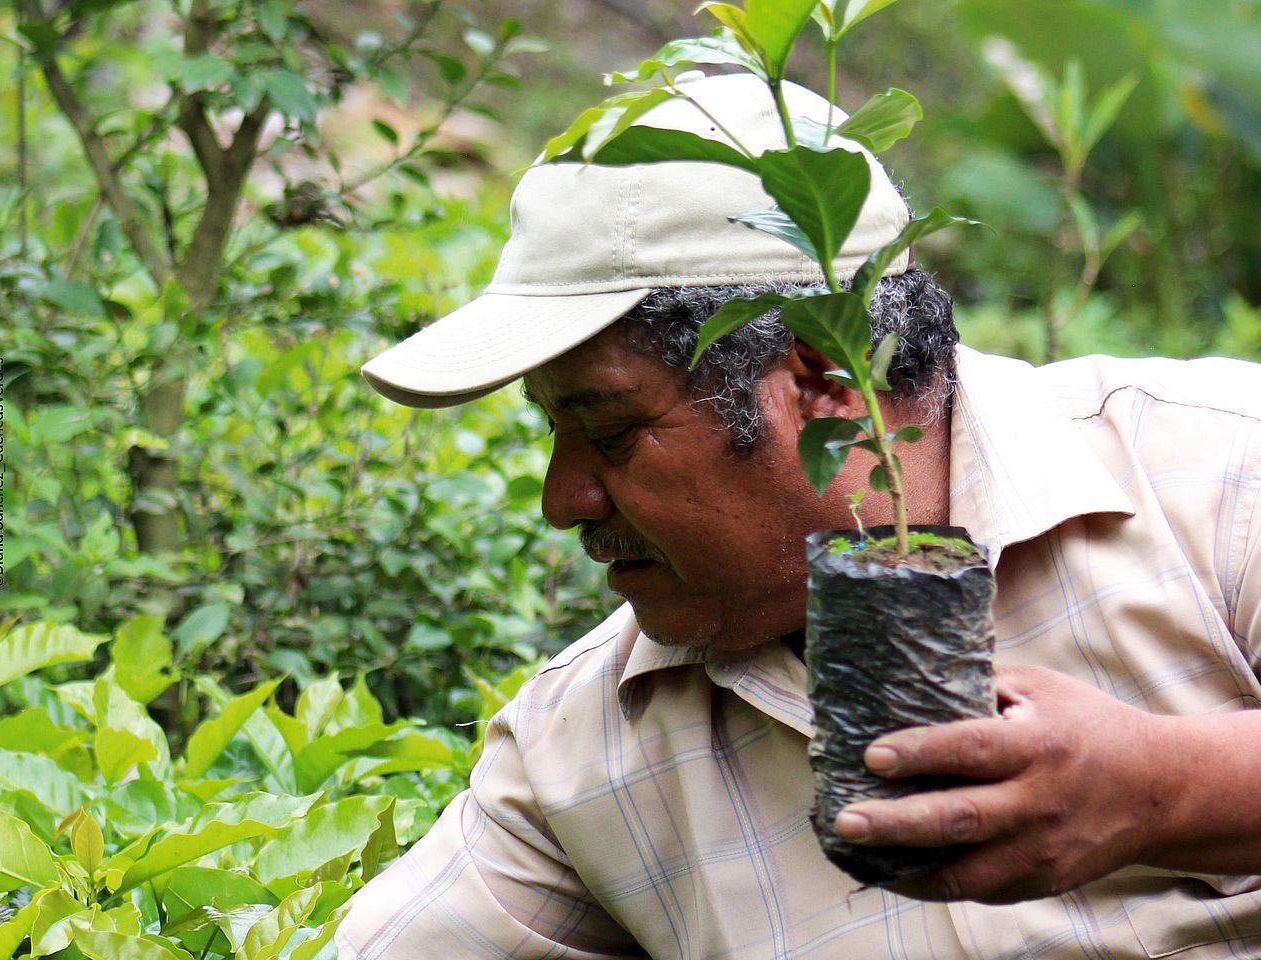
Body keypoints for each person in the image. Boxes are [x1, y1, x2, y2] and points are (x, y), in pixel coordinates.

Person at [336, 73, 1261, 959]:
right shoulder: (582, 756)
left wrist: (1166, 789)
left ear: (819, 376)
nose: (561, 499)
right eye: (553, 427)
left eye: (610, 430)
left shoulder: (1217, 474)